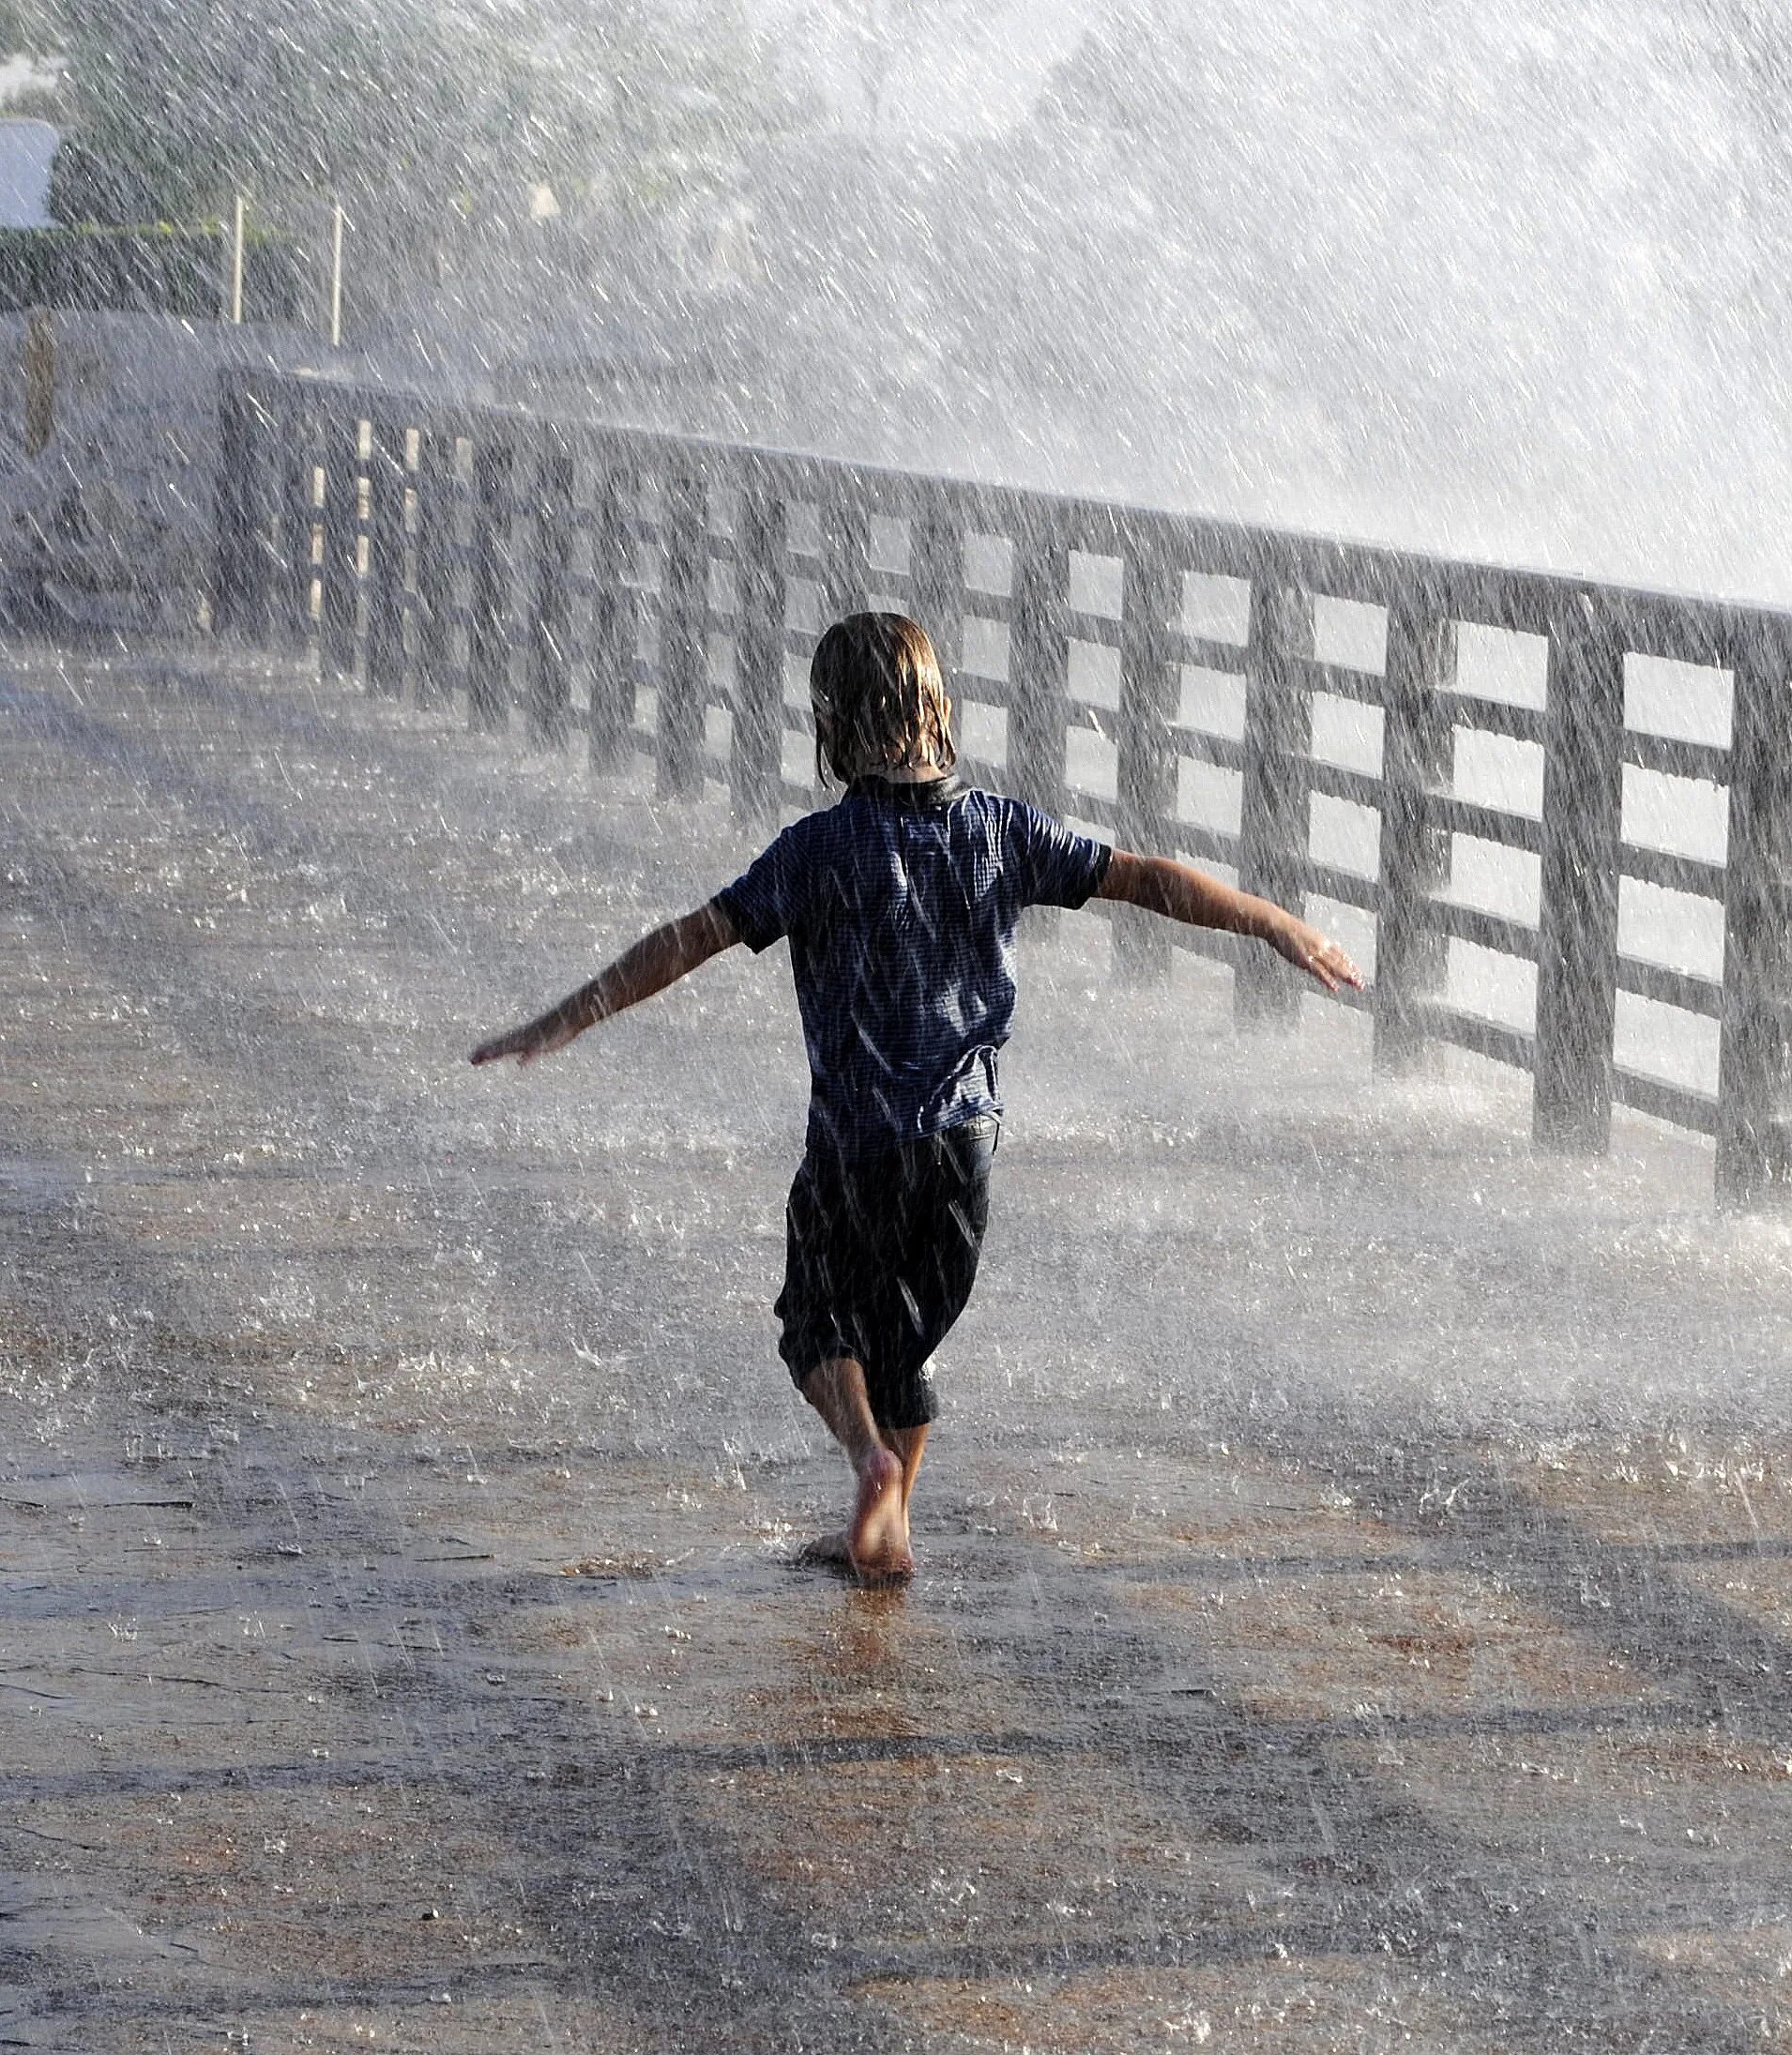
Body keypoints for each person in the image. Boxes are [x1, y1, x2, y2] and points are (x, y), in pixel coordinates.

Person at [471, 613, 1362, 1584]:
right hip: (962, 1151)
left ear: (831, 727)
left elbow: (691, 937)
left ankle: (866, 1462)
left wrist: (570, 1015)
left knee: (819, 1324)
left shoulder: (816, 851)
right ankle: (888, 1526)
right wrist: (1272, 921)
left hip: (855, 1145)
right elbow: (1143, 879)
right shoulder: (1000, 831)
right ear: (937, 710)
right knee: (906, 1343)